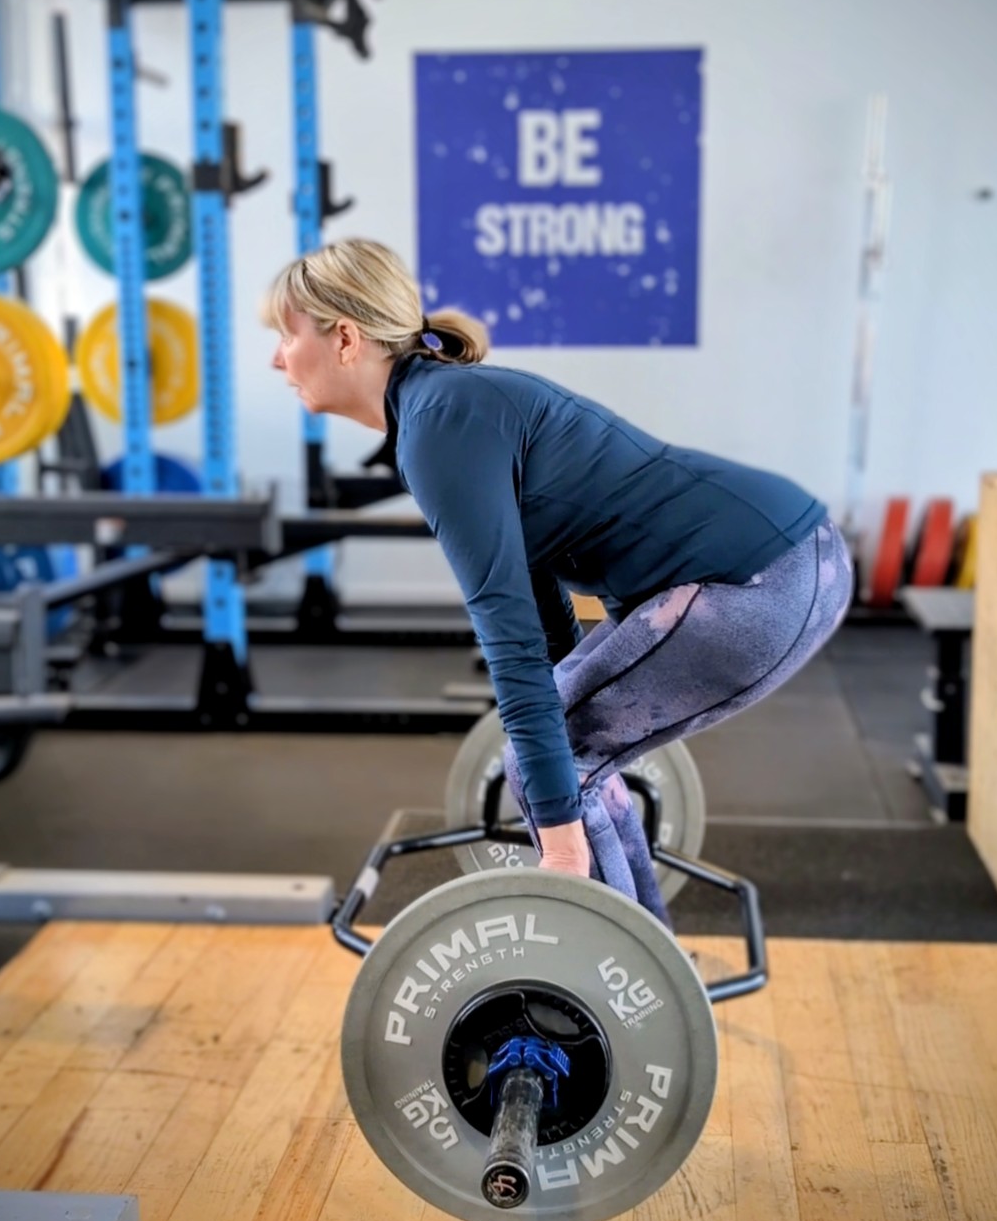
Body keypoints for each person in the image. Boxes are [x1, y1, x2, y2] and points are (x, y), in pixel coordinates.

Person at [264, 238, 854, 927]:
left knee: (551, 764)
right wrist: (564, 781)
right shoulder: (445, 407)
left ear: (344, 338)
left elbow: (507, 634)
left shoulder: (438, 424)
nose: (277, 357)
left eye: (285, 334)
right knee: (566, 754)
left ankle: (625, 983)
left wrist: (560, 833)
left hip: (754, 583)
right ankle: (651, 967)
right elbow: (544, 623)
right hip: (793, 562)